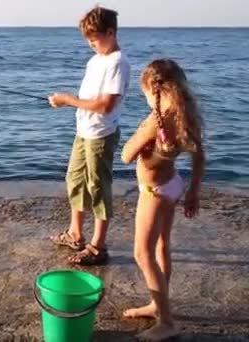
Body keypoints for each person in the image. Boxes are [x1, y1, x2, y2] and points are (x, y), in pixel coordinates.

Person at [120, 58, 205, 341]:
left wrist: (141, 141)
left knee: (142, 254)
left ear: (152, 90)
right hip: (173, 184)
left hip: (153, 193)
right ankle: (158, 304)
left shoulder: (157, 120)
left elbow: (125, 155)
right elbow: (199, 154)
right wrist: (193, 191)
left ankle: (166, 322)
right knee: (161, 246)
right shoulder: (186, 113)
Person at [48, 5, 130, 265]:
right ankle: (75, 233)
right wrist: (67, 101)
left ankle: (98, 246)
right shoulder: (96, 60)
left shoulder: (118, 62)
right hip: (83, 131)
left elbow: (105, 104)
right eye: (88, 41)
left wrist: (67, 100)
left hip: (101, 135)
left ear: (110, 32)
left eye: (95, 39)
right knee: (74, 179)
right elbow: (89, 99)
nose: (91, 45)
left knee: (98, 187)